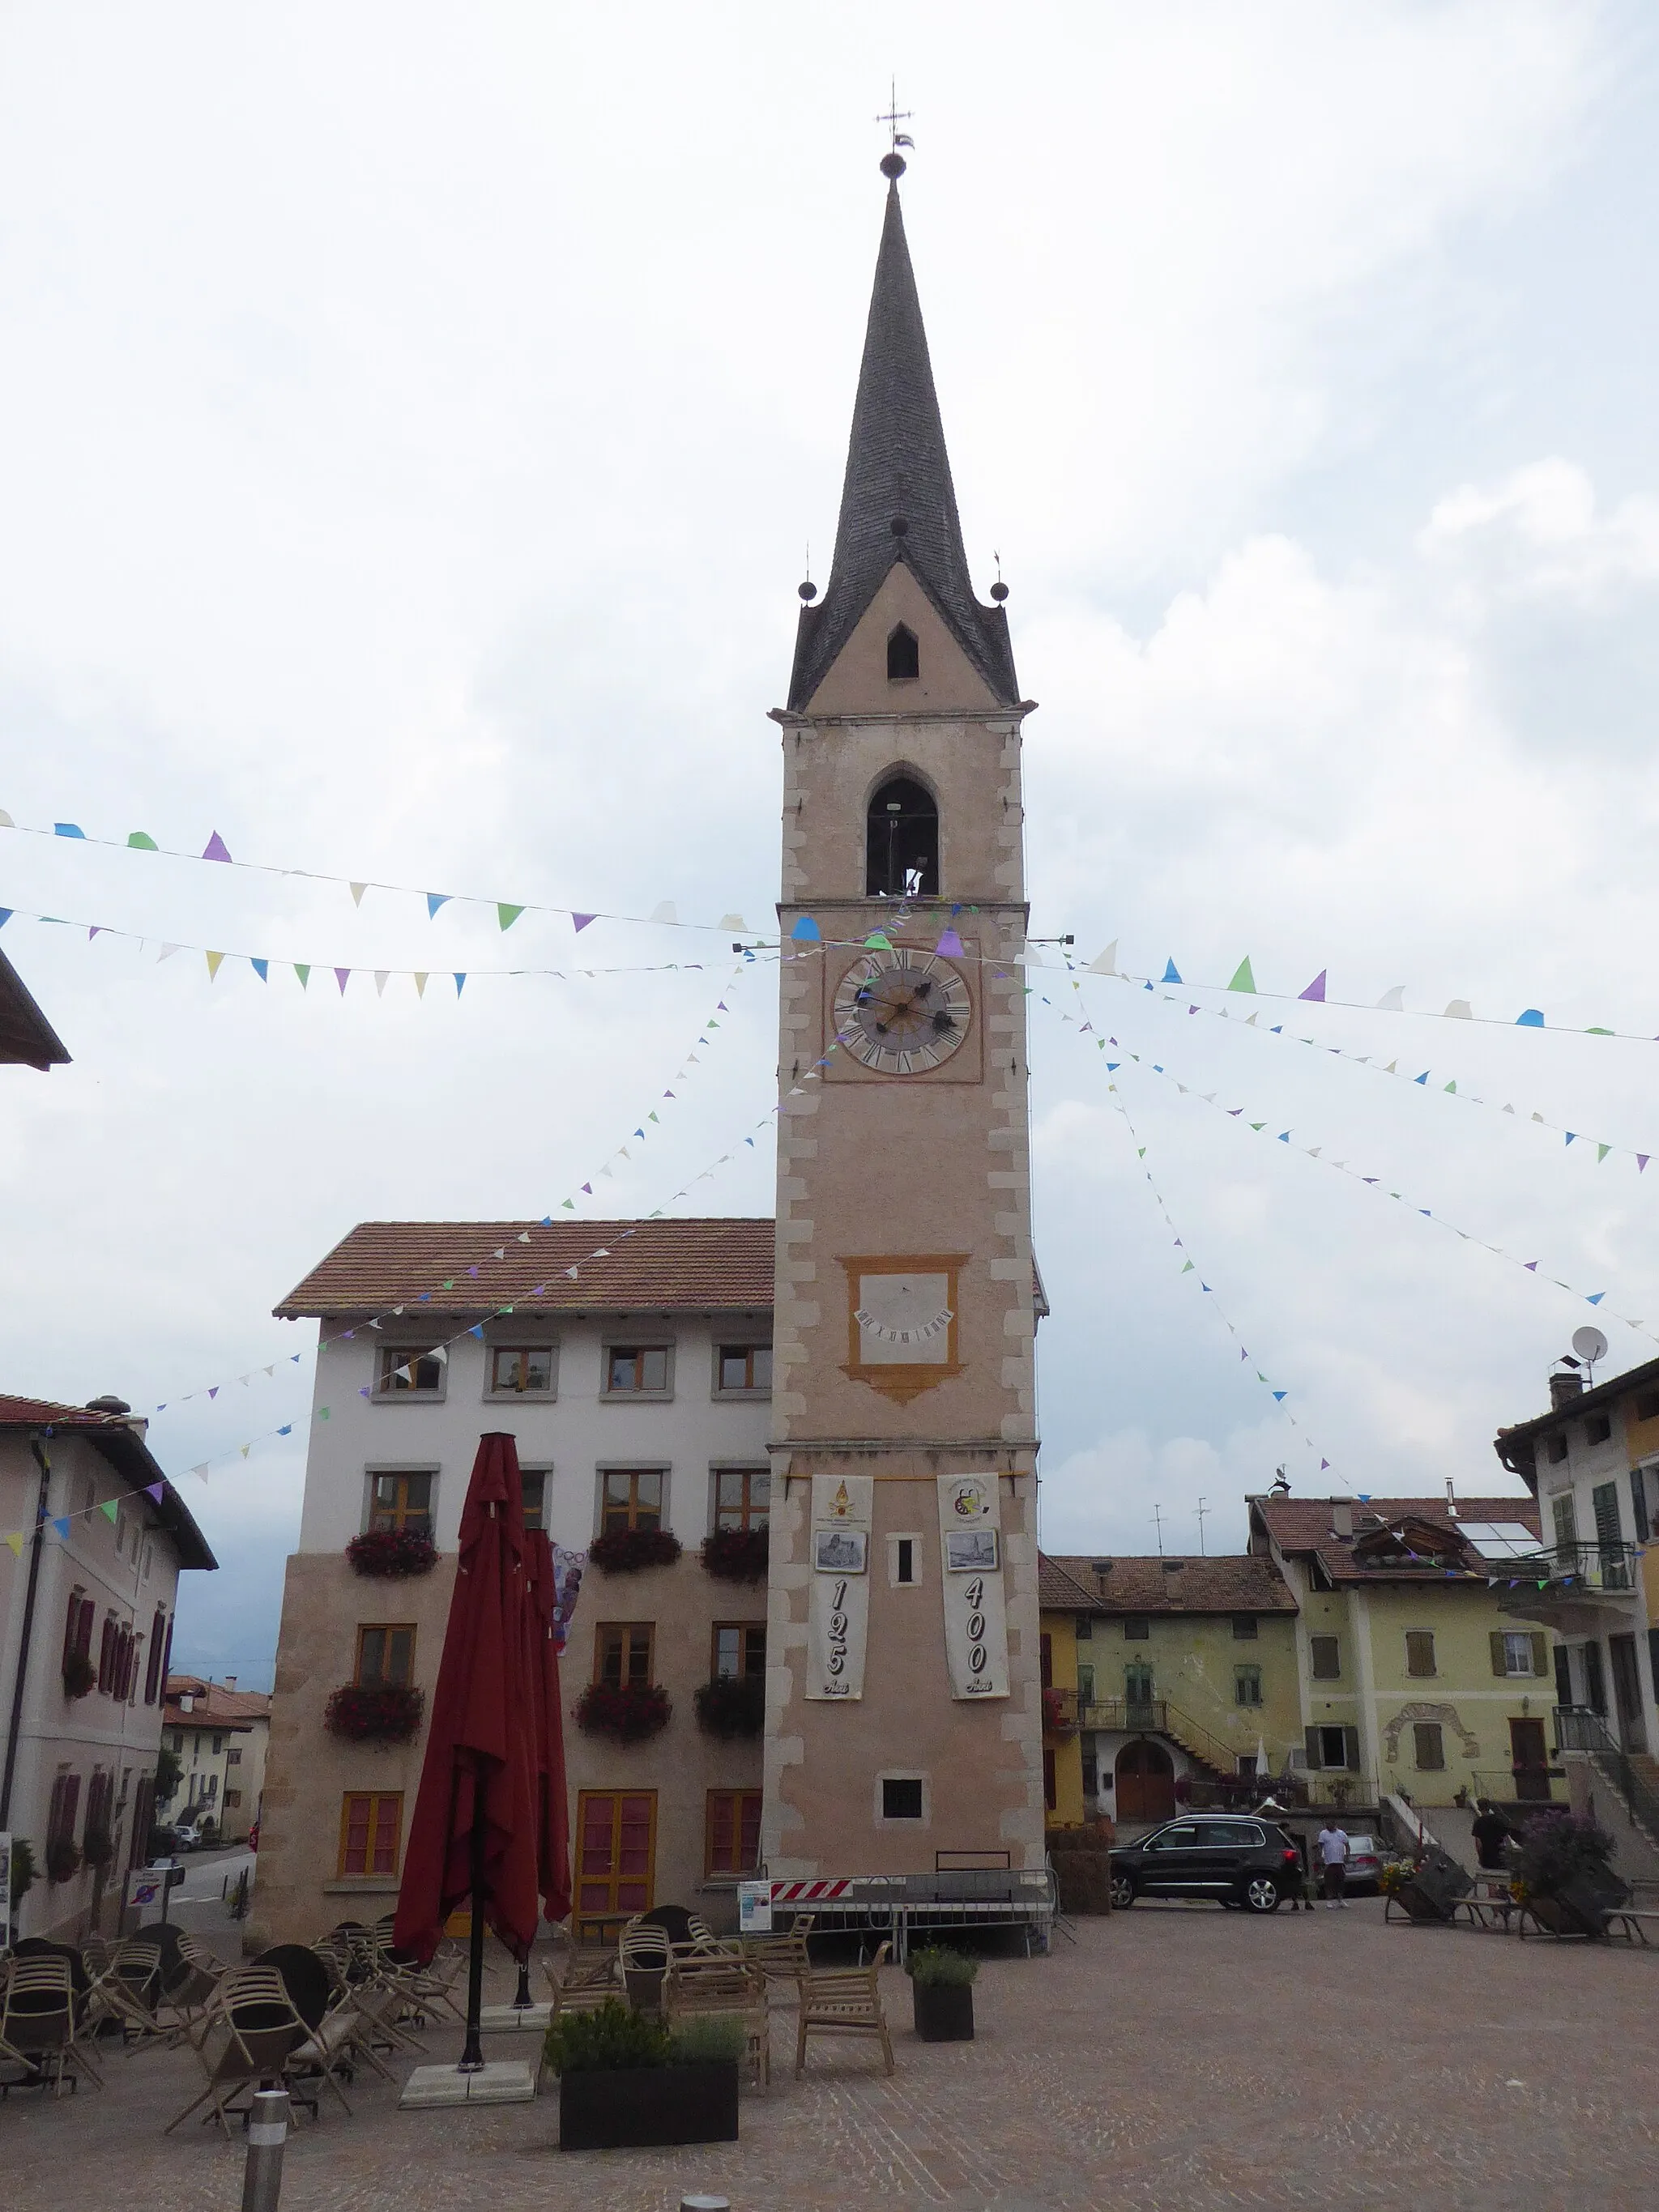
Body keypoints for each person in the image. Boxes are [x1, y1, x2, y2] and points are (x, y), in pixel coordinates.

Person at [1470, 1799, 1513, 1873]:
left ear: (1479, 1808)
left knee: (1491, 1878)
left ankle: (1492, 1885)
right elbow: (1507, 1839)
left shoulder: (1478, 1823)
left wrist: (1481, 1858)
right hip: (1501, 1856)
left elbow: (1479, 1845)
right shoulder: (1499, 1820)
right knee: (1503, 1878)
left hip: (1487, 1858)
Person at [1316, 1821, 1350, 1908]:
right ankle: (1329, 1901)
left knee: (1340, 1881)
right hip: (1329, 1862)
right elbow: (1320, 1846)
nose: (1328, 1826)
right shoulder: (1323, 1834)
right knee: (1329, 1881)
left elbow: (1347, 1845)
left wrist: (1347, 1855)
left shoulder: (1341, 1833)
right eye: (1327, 1824)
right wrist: (1320, 1856)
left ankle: (1340, 1899)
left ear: (1335, 1824)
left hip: (1340, 1861)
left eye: (1330, 1824)